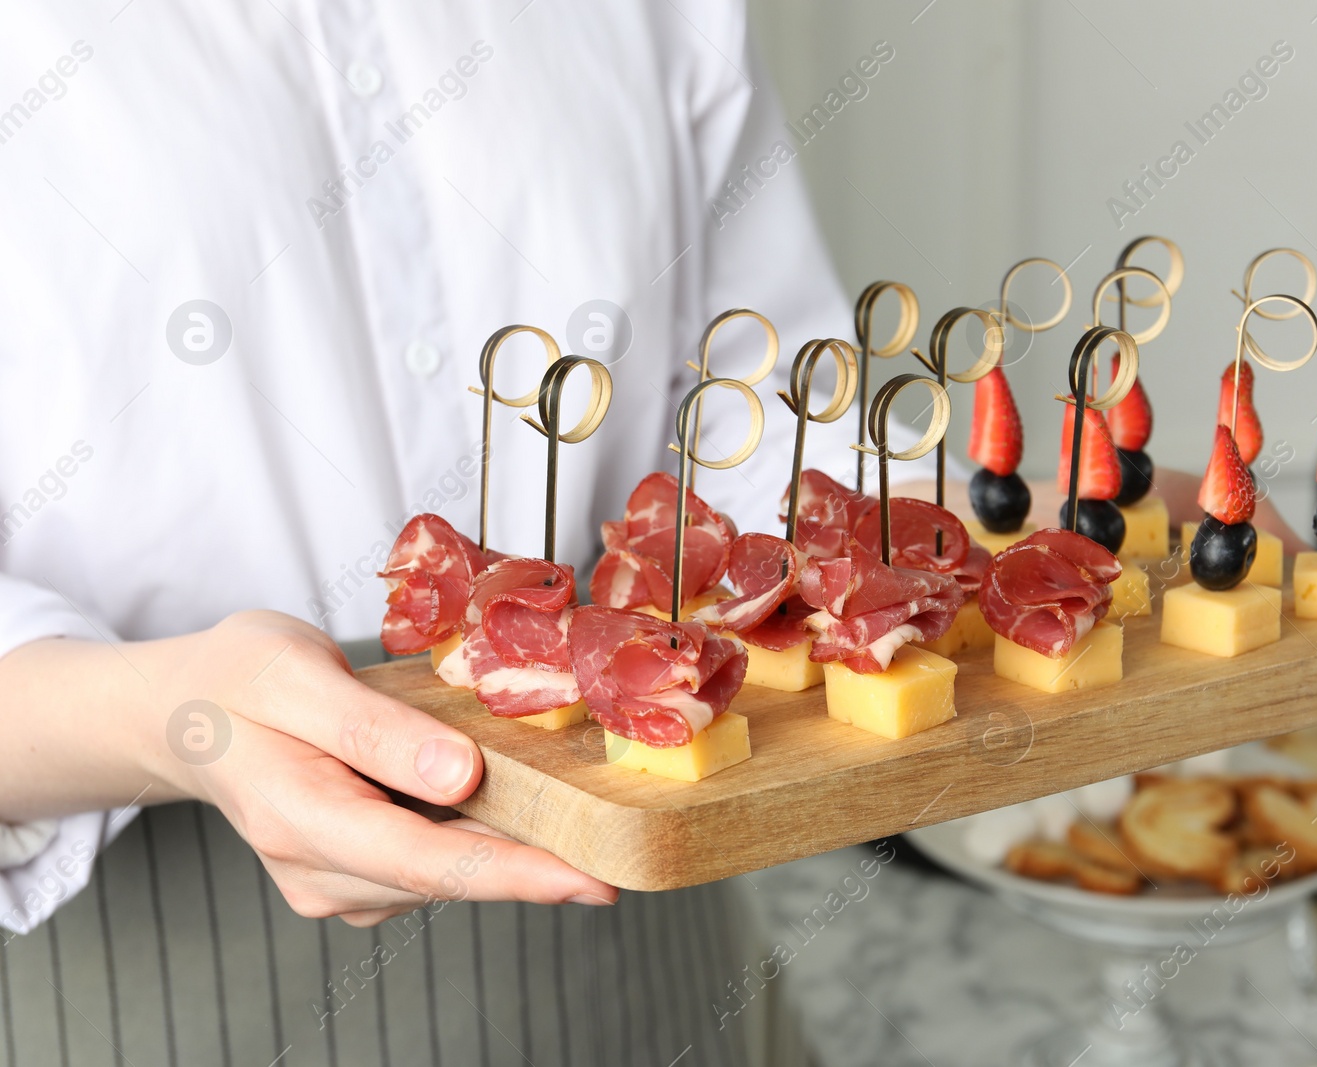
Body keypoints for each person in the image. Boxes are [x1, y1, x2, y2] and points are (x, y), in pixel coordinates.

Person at [0, 3, 847, 1063]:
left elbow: (763, 403)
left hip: (646, 935)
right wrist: (178, 717)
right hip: (158, 950)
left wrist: (950, 535)